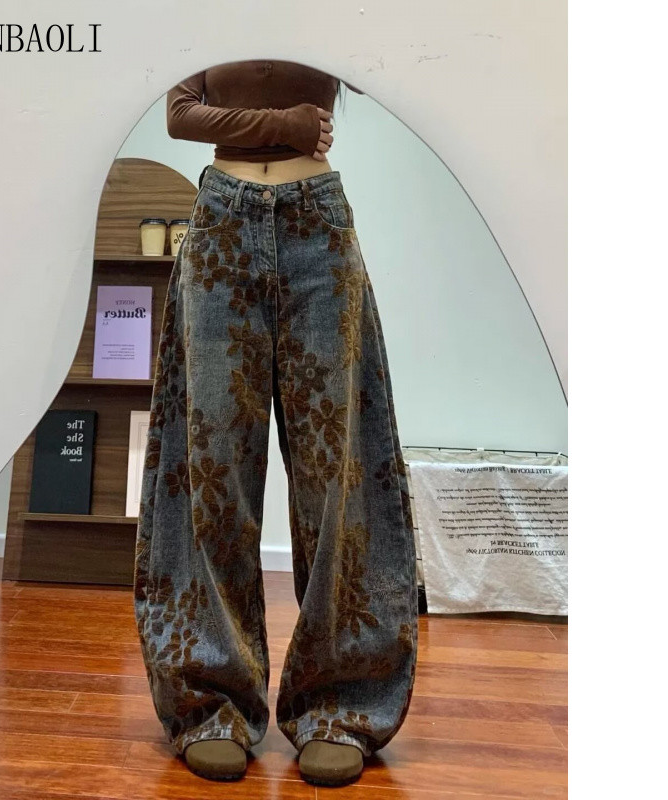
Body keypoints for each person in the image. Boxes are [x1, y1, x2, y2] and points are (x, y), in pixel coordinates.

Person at [134, 60, 418, 788]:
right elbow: (180, 114)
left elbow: (397, 62)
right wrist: (283, 124)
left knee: (336, 472)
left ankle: (341, 704)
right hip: (220, 221)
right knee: (213, 466)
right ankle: (212, 703)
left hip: (317, 221)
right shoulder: (208, 16)